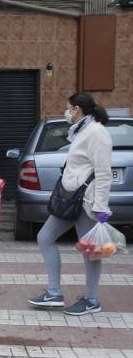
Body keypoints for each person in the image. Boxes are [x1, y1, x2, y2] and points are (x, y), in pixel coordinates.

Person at [29, 93, 113, 316]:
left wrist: (100, 208)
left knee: (90, 251)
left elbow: (104, 173)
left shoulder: (96, 133)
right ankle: (54, 292)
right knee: (45, 237)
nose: (66, 112)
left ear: (76, 109)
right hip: (70, 198)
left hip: (86, 202)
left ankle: (92, 299)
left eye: (68, 108)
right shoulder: (82, 131)